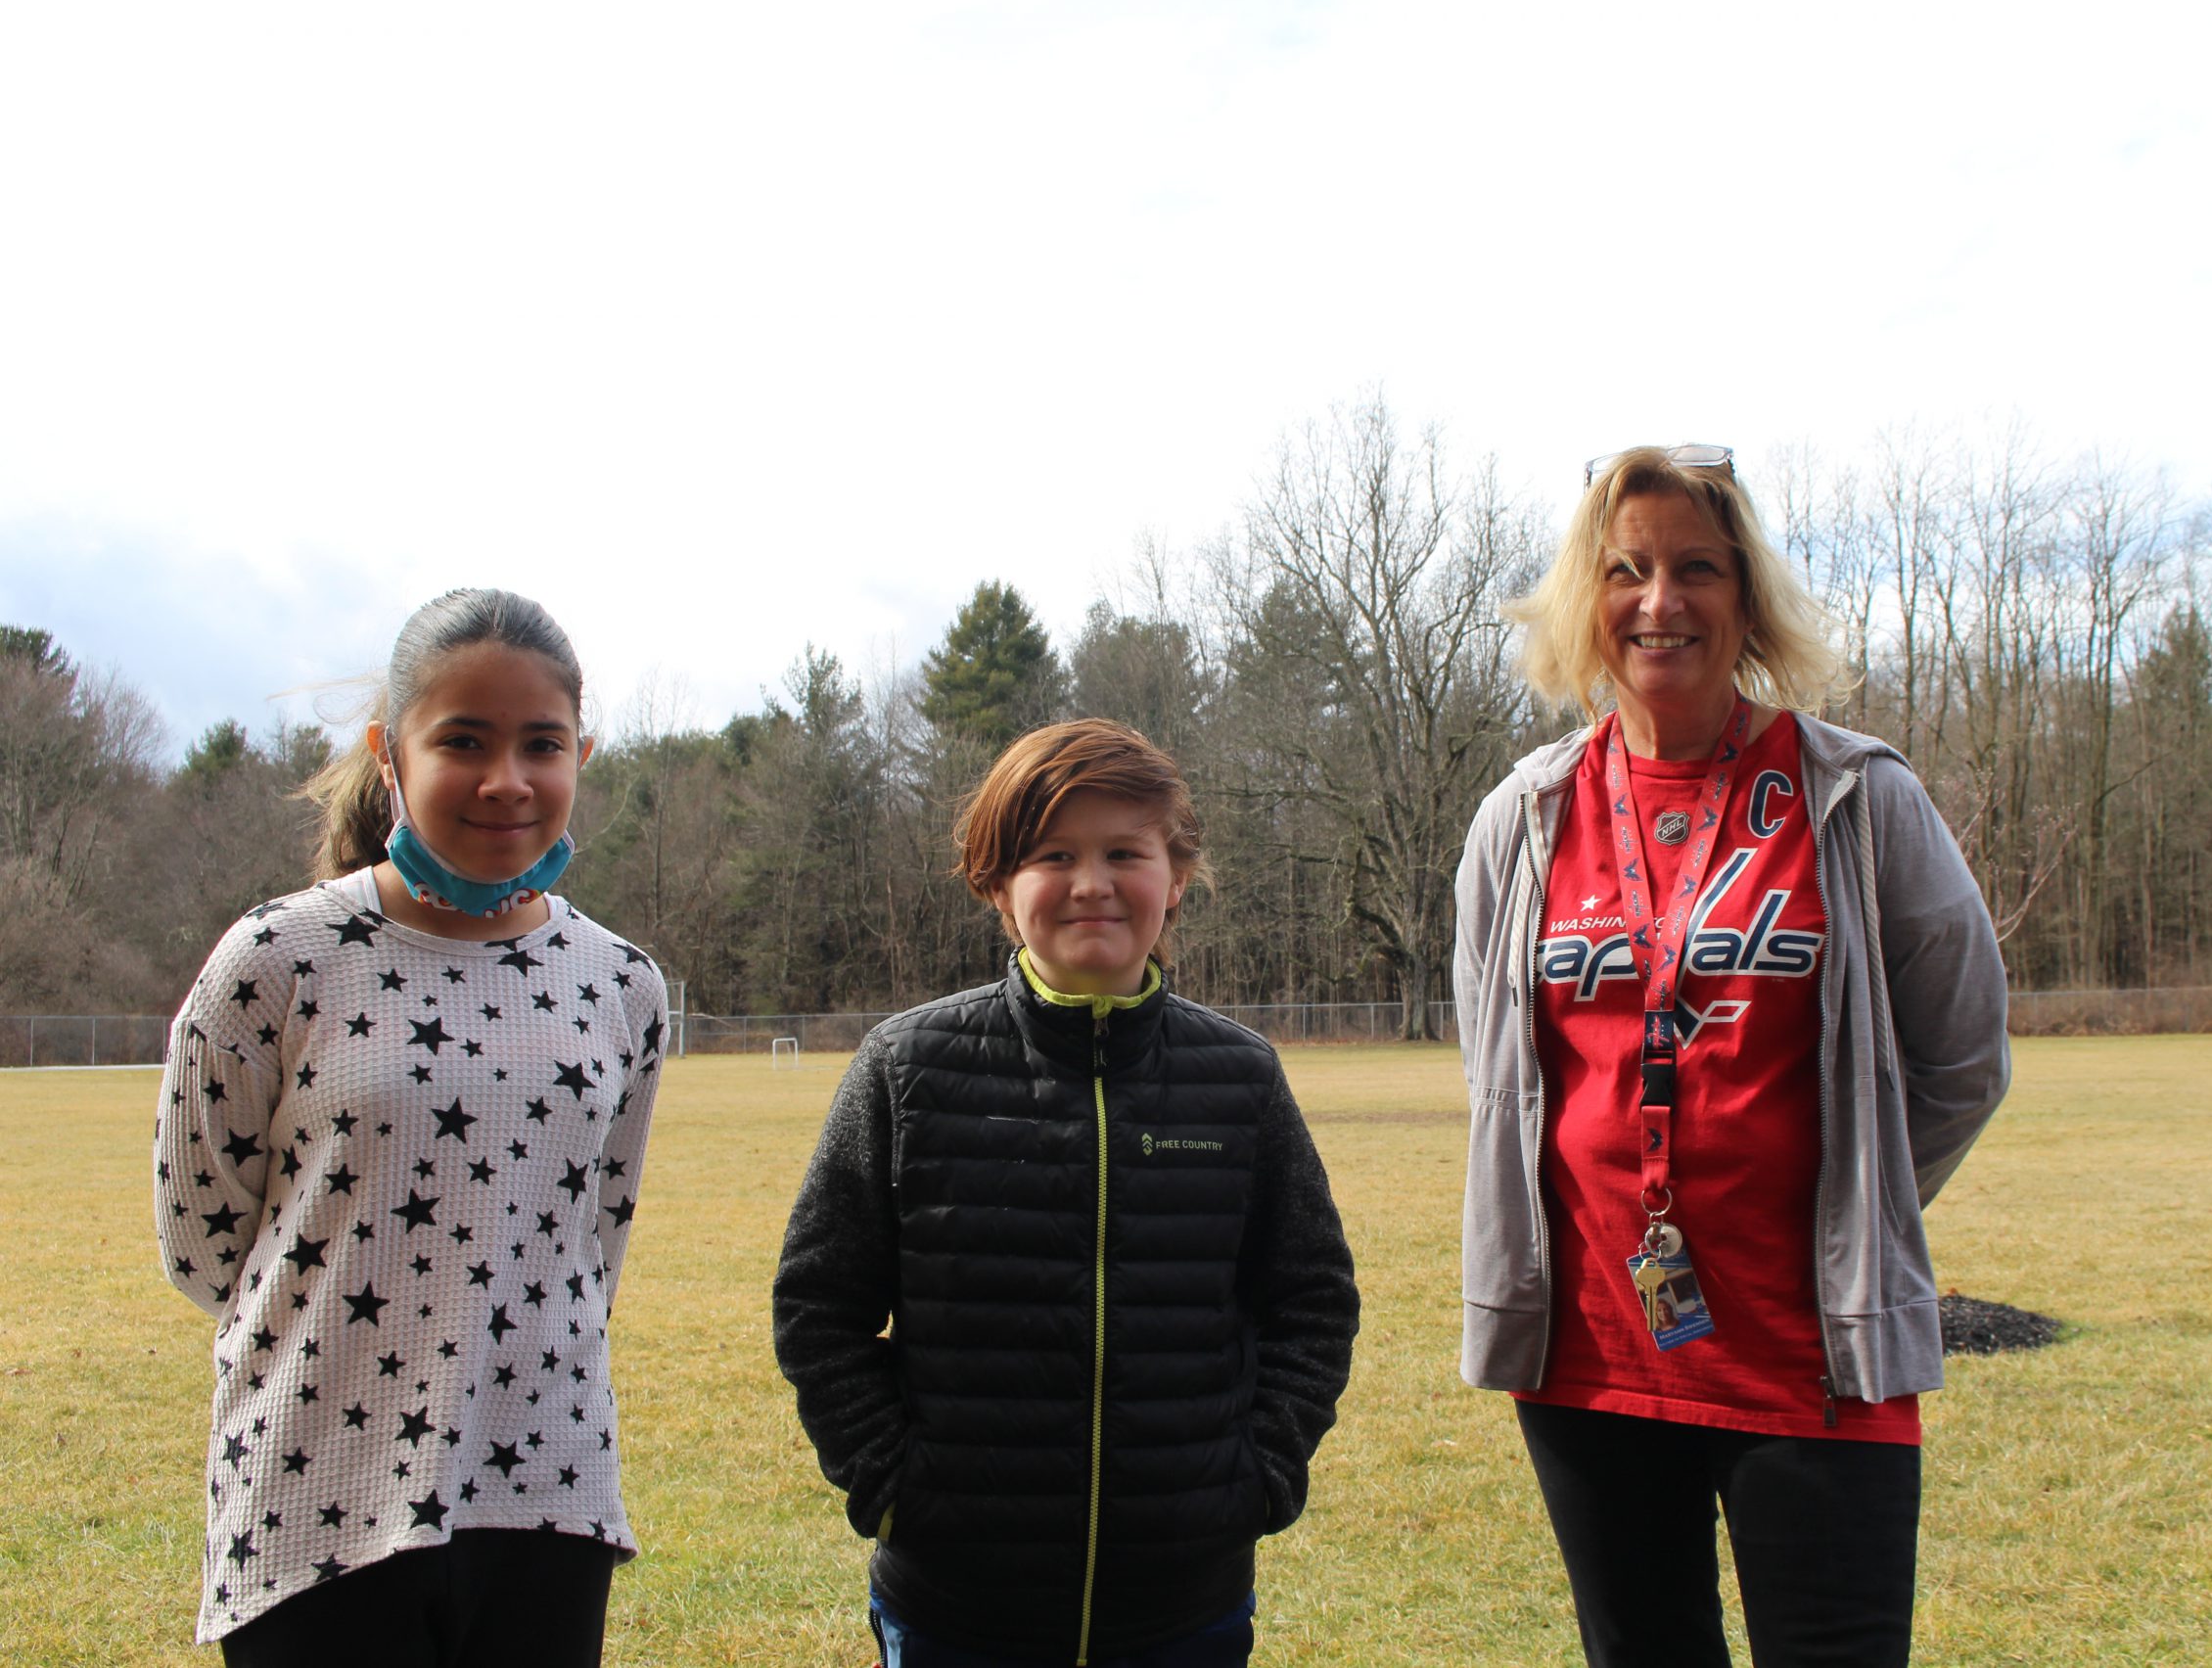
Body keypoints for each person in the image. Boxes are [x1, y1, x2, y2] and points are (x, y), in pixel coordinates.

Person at [1452, 446, 2010, 1668]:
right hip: (1594, 1361)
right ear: (1582, 603)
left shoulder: (1855, 796)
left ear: (1746, 598)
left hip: (1811, 1356)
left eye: (1696, 568)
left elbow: (1962, 1054)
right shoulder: (1525, 818)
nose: (1661, 602)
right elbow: (1499, 1074)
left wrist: (1853, 1210)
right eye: (1626, 570)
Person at [774, 718, 1359, 1668]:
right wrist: (891, 1487)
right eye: (1054, 853)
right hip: (957, 1609)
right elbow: (819, 1306)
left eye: (1124, 851)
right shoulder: (904, 1068)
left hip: (1182, 1605)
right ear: (1000, 887)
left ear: (1174, 878)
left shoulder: (1240, 1078)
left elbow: (1311, 1299)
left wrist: (1258, 1478)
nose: (1092, 882)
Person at [153, 589, 668, 1666]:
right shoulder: (276, 962)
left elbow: (591, 1240)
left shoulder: (620, 986)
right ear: (392, 752)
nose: (506, 780)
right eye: (463, 740)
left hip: (542, 1488)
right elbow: (205, 1243)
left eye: (541, 743)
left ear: (583, 751)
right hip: (318, 1498)